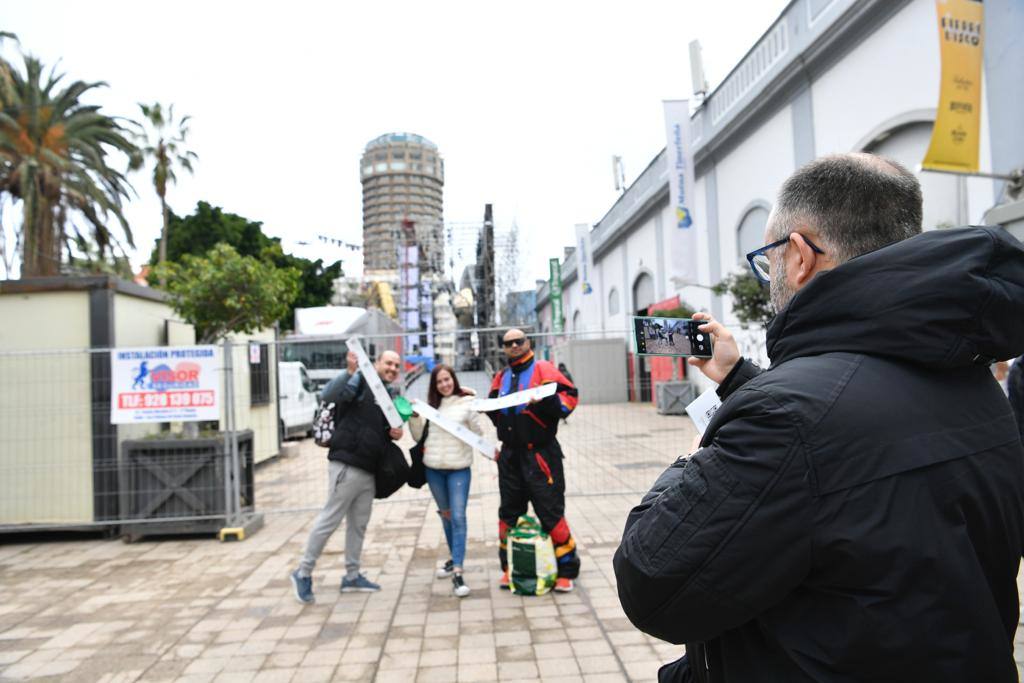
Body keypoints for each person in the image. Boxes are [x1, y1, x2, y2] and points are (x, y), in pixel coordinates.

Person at [613, 153, 1024, 682]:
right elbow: (848, 442)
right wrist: (739, 377)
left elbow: (652, 580)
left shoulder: (789, 418)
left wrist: (695, 461)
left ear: (800, 255)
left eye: (767, 258)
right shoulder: (972, 380)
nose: (769, 276)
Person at [290, 348, 404, 604]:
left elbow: (382, 428)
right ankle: (303, 572)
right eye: (388, 363)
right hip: (347, 464)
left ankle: (352, 576)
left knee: (358, 524)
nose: (392, 368)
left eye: (396, 365)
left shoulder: (388, 394)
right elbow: (328, 395)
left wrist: (394, 433)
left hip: (369, 469)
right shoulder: (359, 380)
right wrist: (350, 371)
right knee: (330, 519)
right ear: (376, 363)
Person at [485, 328, 581, 592]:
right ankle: (509, 568)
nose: (514, 345)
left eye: (519, 341)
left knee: (550, 512)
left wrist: (547, 403)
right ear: (503, 348)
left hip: (540, 455)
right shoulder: (501, 377)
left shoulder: (544, 369)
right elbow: (493, 410)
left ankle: (567, 570)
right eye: (508, 343)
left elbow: (570, 398)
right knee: (508, 515)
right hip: (510, 457)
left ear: (529, 342)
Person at [408, 365, 484, 598]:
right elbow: (418, 437)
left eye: (447, 380)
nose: (444, 384)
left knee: (459, 516)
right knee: (447, 516)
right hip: (434, 470)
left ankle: (458, 571)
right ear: (435, 385)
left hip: (459, 470)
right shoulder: (431, 407)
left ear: (454, 380)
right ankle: (454, 558)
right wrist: (414, 419)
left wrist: (473, 406)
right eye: (439, 381)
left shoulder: (465, 403)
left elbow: (479, 433)